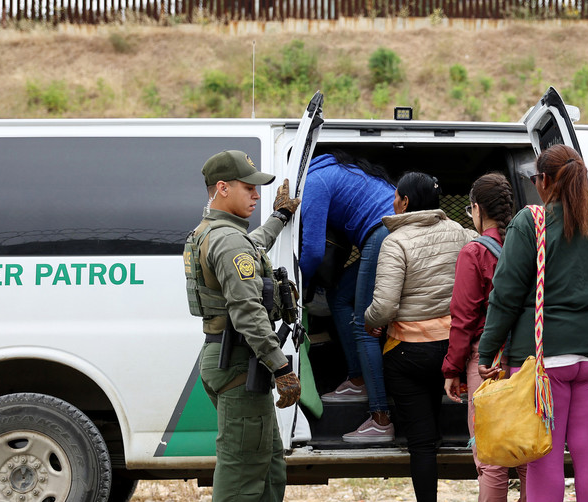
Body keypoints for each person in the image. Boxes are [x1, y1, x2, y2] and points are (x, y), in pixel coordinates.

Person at [477, 145, 588, 502]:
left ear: (545, 180)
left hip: (543, 359)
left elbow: (505, 294)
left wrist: (487, 350)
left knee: (543, 455)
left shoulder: (529, 223)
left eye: (536, 178)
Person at [185, 150, 302, 502]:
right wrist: (280, 366)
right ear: (223, 188)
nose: (256, 194)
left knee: (267, 469)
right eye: (248, 187)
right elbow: (247, 311)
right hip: (239, 364)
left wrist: (279, 217)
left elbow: (254, 246)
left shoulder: (211, 233)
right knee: (242, 476)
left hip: (229, 358)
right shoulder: (227, 239)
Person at [365, 172, 476, 502]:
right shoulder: (459, 232)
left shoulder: (395, 242)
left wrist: (369, 320)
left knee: (421, 443)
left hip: (408, 353)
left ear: (406, 202)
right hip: (452, 349)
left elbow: (384, 308)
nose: (393, 202)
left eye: (396, 196)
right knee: (432, 415)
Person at [298, 151, 397, 442]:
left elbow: (313, 250)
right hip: (393, 229)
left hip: (382, 233)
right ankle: (356, 378)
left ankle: (380, 419)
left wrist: (299, 281)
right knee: (340, 296)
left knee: (363, 322)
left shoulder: (315, 182)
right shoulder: (337, 169)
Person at [442, 172, 528, 502]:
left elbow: (463, 319)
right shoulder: (530, 246)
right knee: (525, 449)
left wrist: (452, 369)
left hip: (487, 361)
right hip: (526, 358)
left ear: (477, 209)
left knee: (491, 456)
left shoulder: (475, 252)